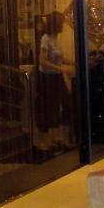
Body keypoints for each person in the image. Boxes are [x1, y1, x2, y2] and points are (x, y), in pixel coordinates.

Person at [34, 11, 73, 153]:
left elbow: (59, 58)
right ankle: (44, 140)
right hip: (46, 78)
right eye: (61, 22)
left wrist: (74, 62)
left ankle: (59, 138)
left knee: (67, 105)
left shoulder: (56, 38)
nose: (63, 25)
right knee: (48, 108)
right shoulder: (45, 39)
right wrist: (62, 69)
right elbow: (43, 61)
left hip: (56, 76)